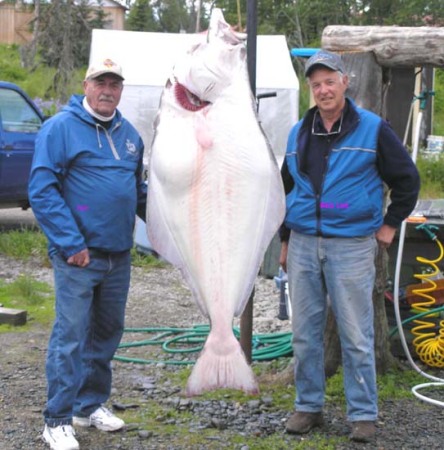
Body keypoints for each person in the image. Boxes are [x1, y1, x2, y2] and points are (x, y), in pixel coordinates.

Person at [279, 50, 420, 443]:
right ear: (311, 90)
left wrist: (390, 225)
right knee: (304, 334)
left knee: (356, 334)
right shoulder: (297, 133)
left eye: (329, 81)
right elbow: (285, 190)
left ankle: (363, 414)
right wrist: (286, 241)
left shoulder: (373, 129)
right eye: (316, 84)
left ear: (345, 82)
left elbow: (408, 180)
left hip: (353, 245)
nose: (323, 90)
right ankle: (308, 407)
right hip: (305, 243)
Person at [28, 58, 147, 450]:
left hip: (118, 255)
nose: (107, 90)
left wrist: (174, 225)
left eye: (114, 83)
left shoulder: (130, 135)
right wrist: (71, 243)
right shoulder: (59, 128)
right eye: (101, 82)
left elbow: (139, 192)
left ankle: (89, 404)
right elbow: (43, 190)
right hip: (78, 256)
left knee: (107, 334)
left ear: (121, 89)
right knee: (71, 336)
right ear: (86, 85)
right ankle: (57, 420)